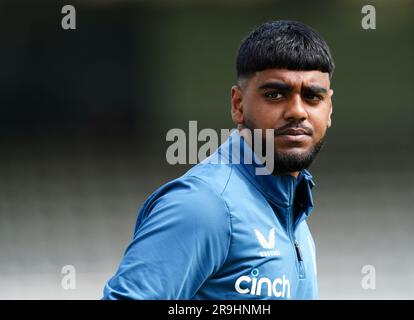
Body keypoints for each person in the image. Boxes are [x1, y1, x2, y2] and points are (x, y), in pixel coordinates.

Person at [103, 19, 335, 300]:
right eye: (275, 95)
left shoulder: (294, 215)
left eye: (312, 97)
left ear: (329, 109)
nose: (297, 111)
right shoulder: (204, 205)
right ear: (238, 105)